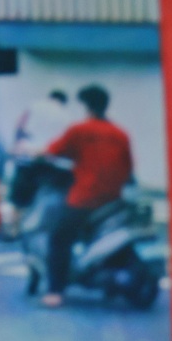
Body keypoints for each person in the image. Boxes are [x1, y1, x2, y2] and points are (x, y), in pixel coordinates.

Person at [40, 84, 133, 307]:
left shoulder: (79, 130)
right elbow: (128, 167)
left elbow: (53, 150)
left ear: (86, 106)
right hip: (114, 200)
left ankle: (55, 290)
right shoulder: (120, 134)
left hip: (85, 198)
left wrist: (34, 151)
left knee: (59, 238)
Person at [12, 89, 73, 156]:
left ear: (50, 97)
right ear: (64, 102)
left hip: (26, 147)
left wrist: (16, 143)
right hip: (48, 152)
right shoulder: (67, 116)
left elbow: (20, 124)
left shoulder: (34, 105)